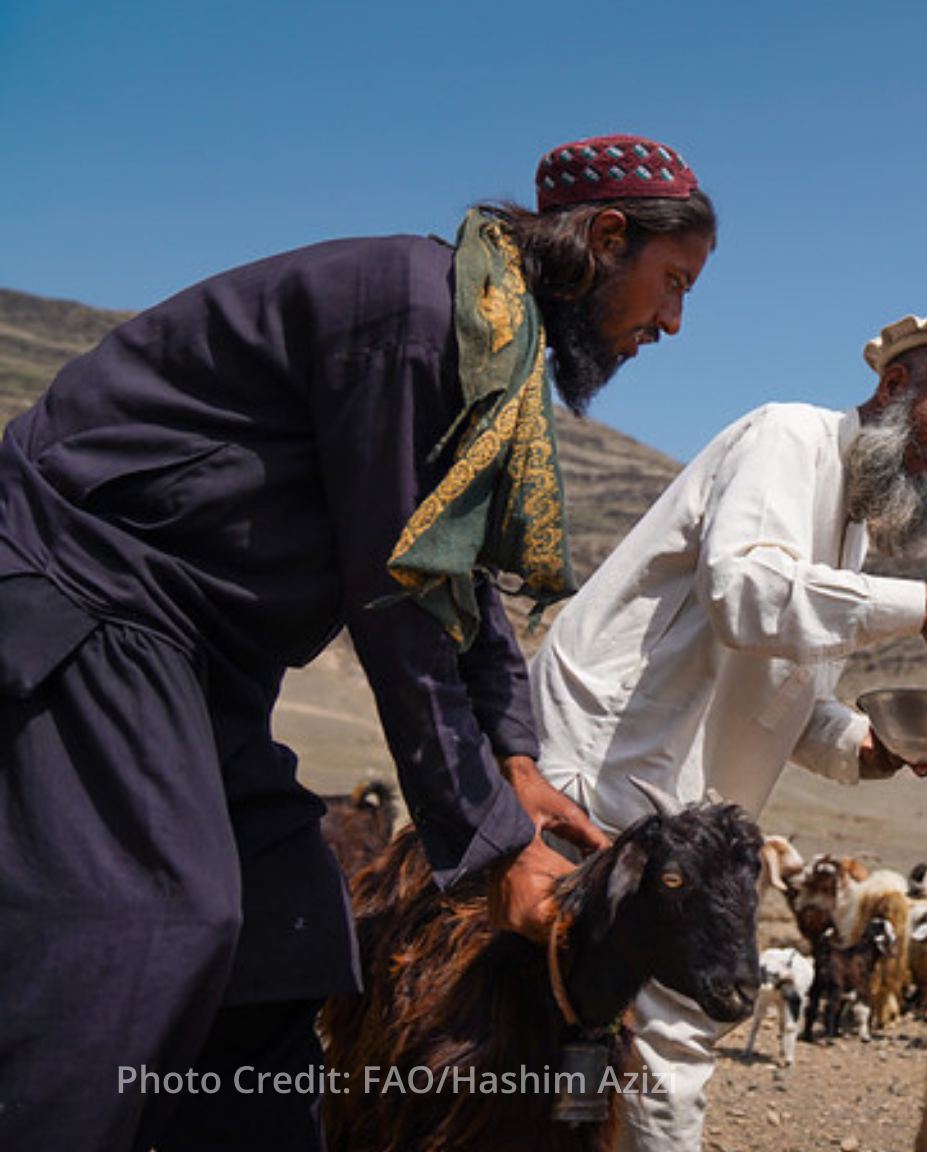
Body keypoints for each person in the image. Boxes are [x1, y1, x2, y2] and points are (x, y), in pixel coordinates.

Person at [0, 132, 712, 1152]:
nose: (674, 322)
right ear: (606, 237)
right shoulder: (415, 319)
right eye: (672, 282)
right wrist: (491, 849)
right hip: (95, 592)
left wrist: (513, 756)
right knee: (152, 925)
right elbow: (397, 601)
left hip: (202, 661)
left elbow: (454, 577)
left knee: (289, 928)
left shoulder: (486, 346)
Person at [527, 311, 927, 1152]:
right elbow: (748, 593)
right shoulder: (785, 438)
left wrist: (865, 747)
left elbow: (775, 685)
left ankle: (571, 1137)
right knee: (662, 1018)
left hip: (685, 801)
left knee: (592, 1014)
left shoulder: (852, 526)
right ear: (895, 387)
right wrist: (921, 605)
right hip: (615, 756)